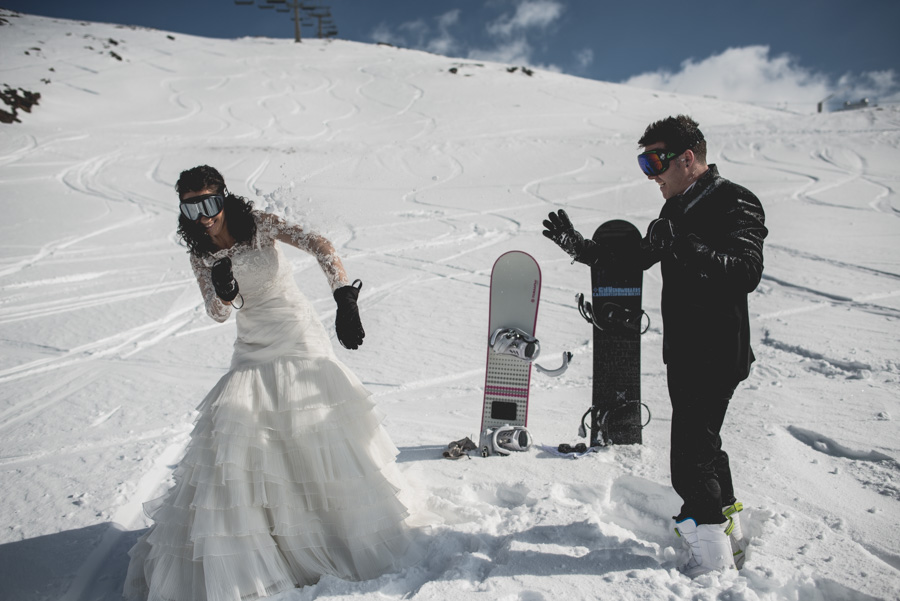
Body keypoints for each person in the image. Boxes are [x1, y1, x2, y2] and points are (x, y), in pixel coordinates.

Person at [124, 165, 413, 601]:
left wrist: (343, 297)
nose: (203, 215)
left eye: (209, 202)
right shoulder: (200, 253)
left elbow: (321, 245)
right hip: (253, 344)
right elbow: (218, 313)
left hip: (297, 333)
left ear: (223, 196)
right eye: (191, 207)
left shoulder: (259, 223)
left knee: (311, 427)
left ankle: (335, 530)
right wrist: (223, 292)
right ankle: (269, 541)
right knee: (242, 437)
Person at [542, 115, 767, 577]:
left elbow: (746, 271)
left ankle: (712, 567)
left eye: (655, 161)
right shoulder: (674, 210)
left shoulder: (735, 201)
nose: (651, 175)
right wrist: (582, 248)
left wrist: (687, 245)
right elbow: (638, 258)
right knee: (704, 446)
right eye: (644, 163)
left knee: (689, 461)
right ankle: (733, 542)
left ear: (688, 158)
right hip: (685, 352)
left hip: (718, 350)